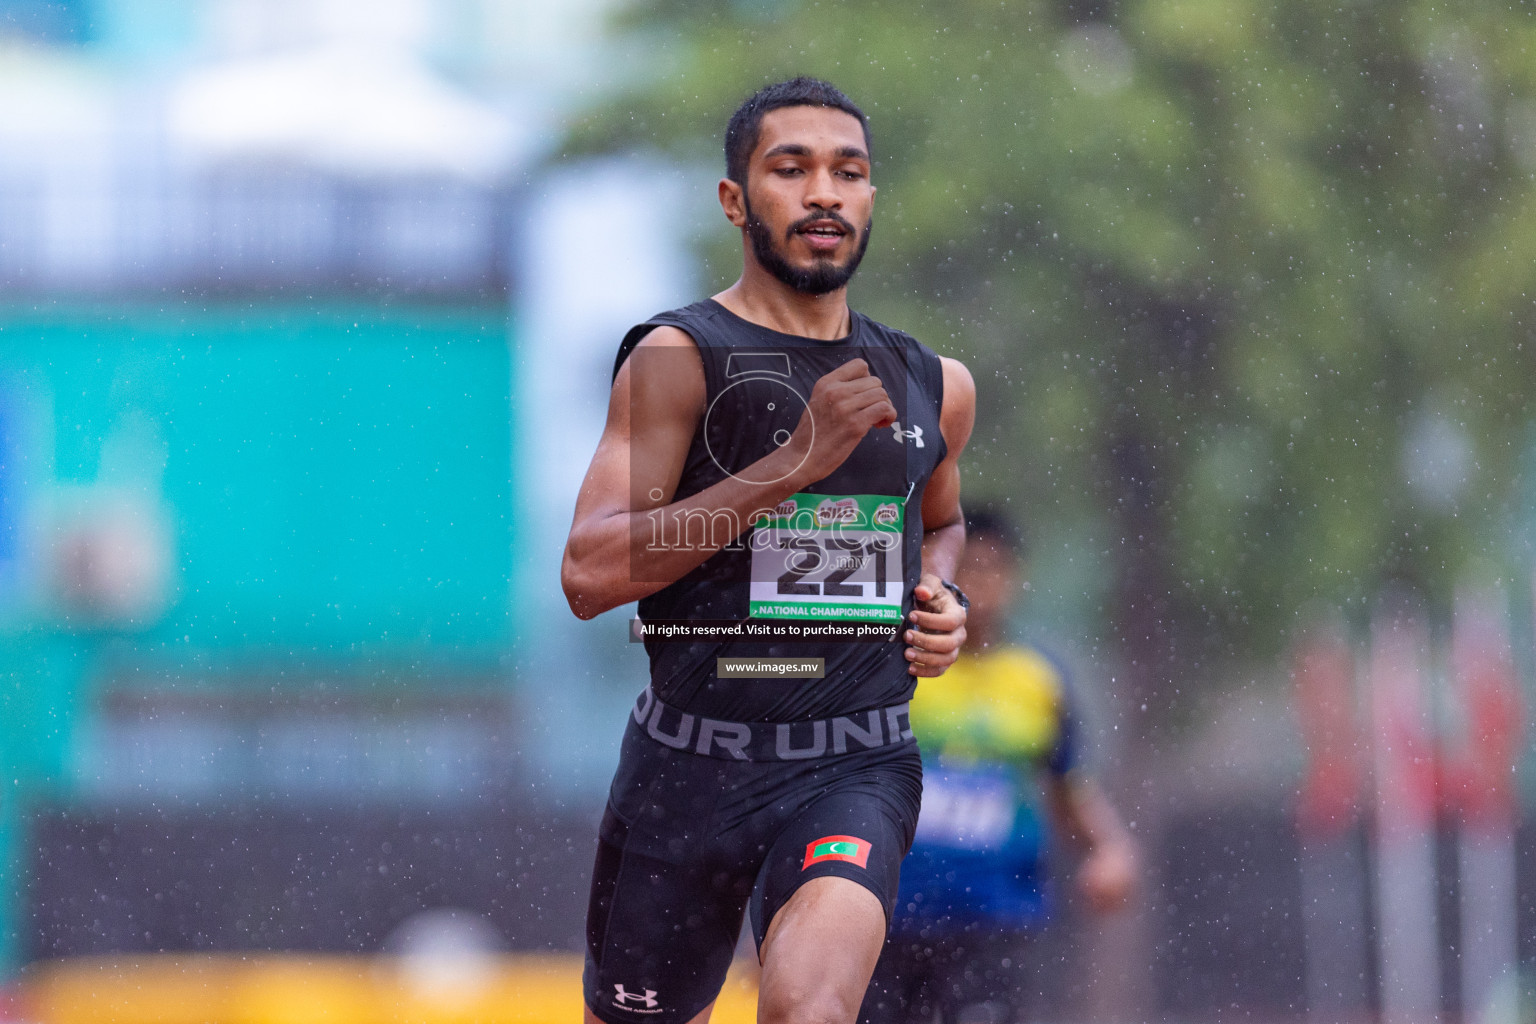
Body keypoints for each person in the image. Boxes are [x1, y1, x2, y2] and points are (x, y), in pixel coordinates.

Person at [561, 77, 976, 1024]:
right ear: (736, 200)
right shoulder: (677, 358)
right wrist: (791, 466)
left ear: (871, 199)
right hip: (686, 768)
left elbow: (940, 522)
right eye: (791, 169)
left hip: (853, 764)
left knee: (807, 1009)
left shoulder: (931, 382)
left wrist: (939, 597)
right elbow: (588, 575)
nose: (824, 192)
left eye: (849, 172)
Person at [860, 508, 1139, 1024]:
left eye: (995, 568)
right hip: (890, 908)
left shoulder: (1039, 678)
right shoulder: (899, 663)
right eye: (971, 567)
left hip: (995, 911)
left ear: (1016, 578)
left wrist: (1110, 848)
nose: (983, 583)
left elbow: (1068, 782)